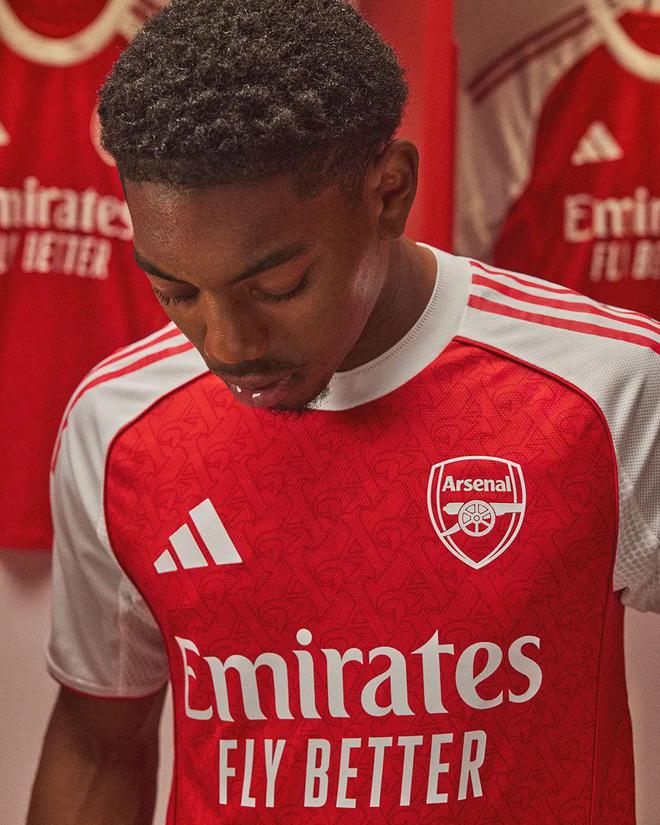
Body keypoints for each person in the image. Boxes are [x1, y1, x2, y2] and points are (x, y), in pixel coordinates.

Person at [28, 1, 659, 823]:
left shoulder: (605, 389)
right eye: (175, 291)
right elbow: (98, 741)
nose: (227, 344)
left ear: (388, 192)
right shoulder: (117, 425)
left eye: (278, 285)